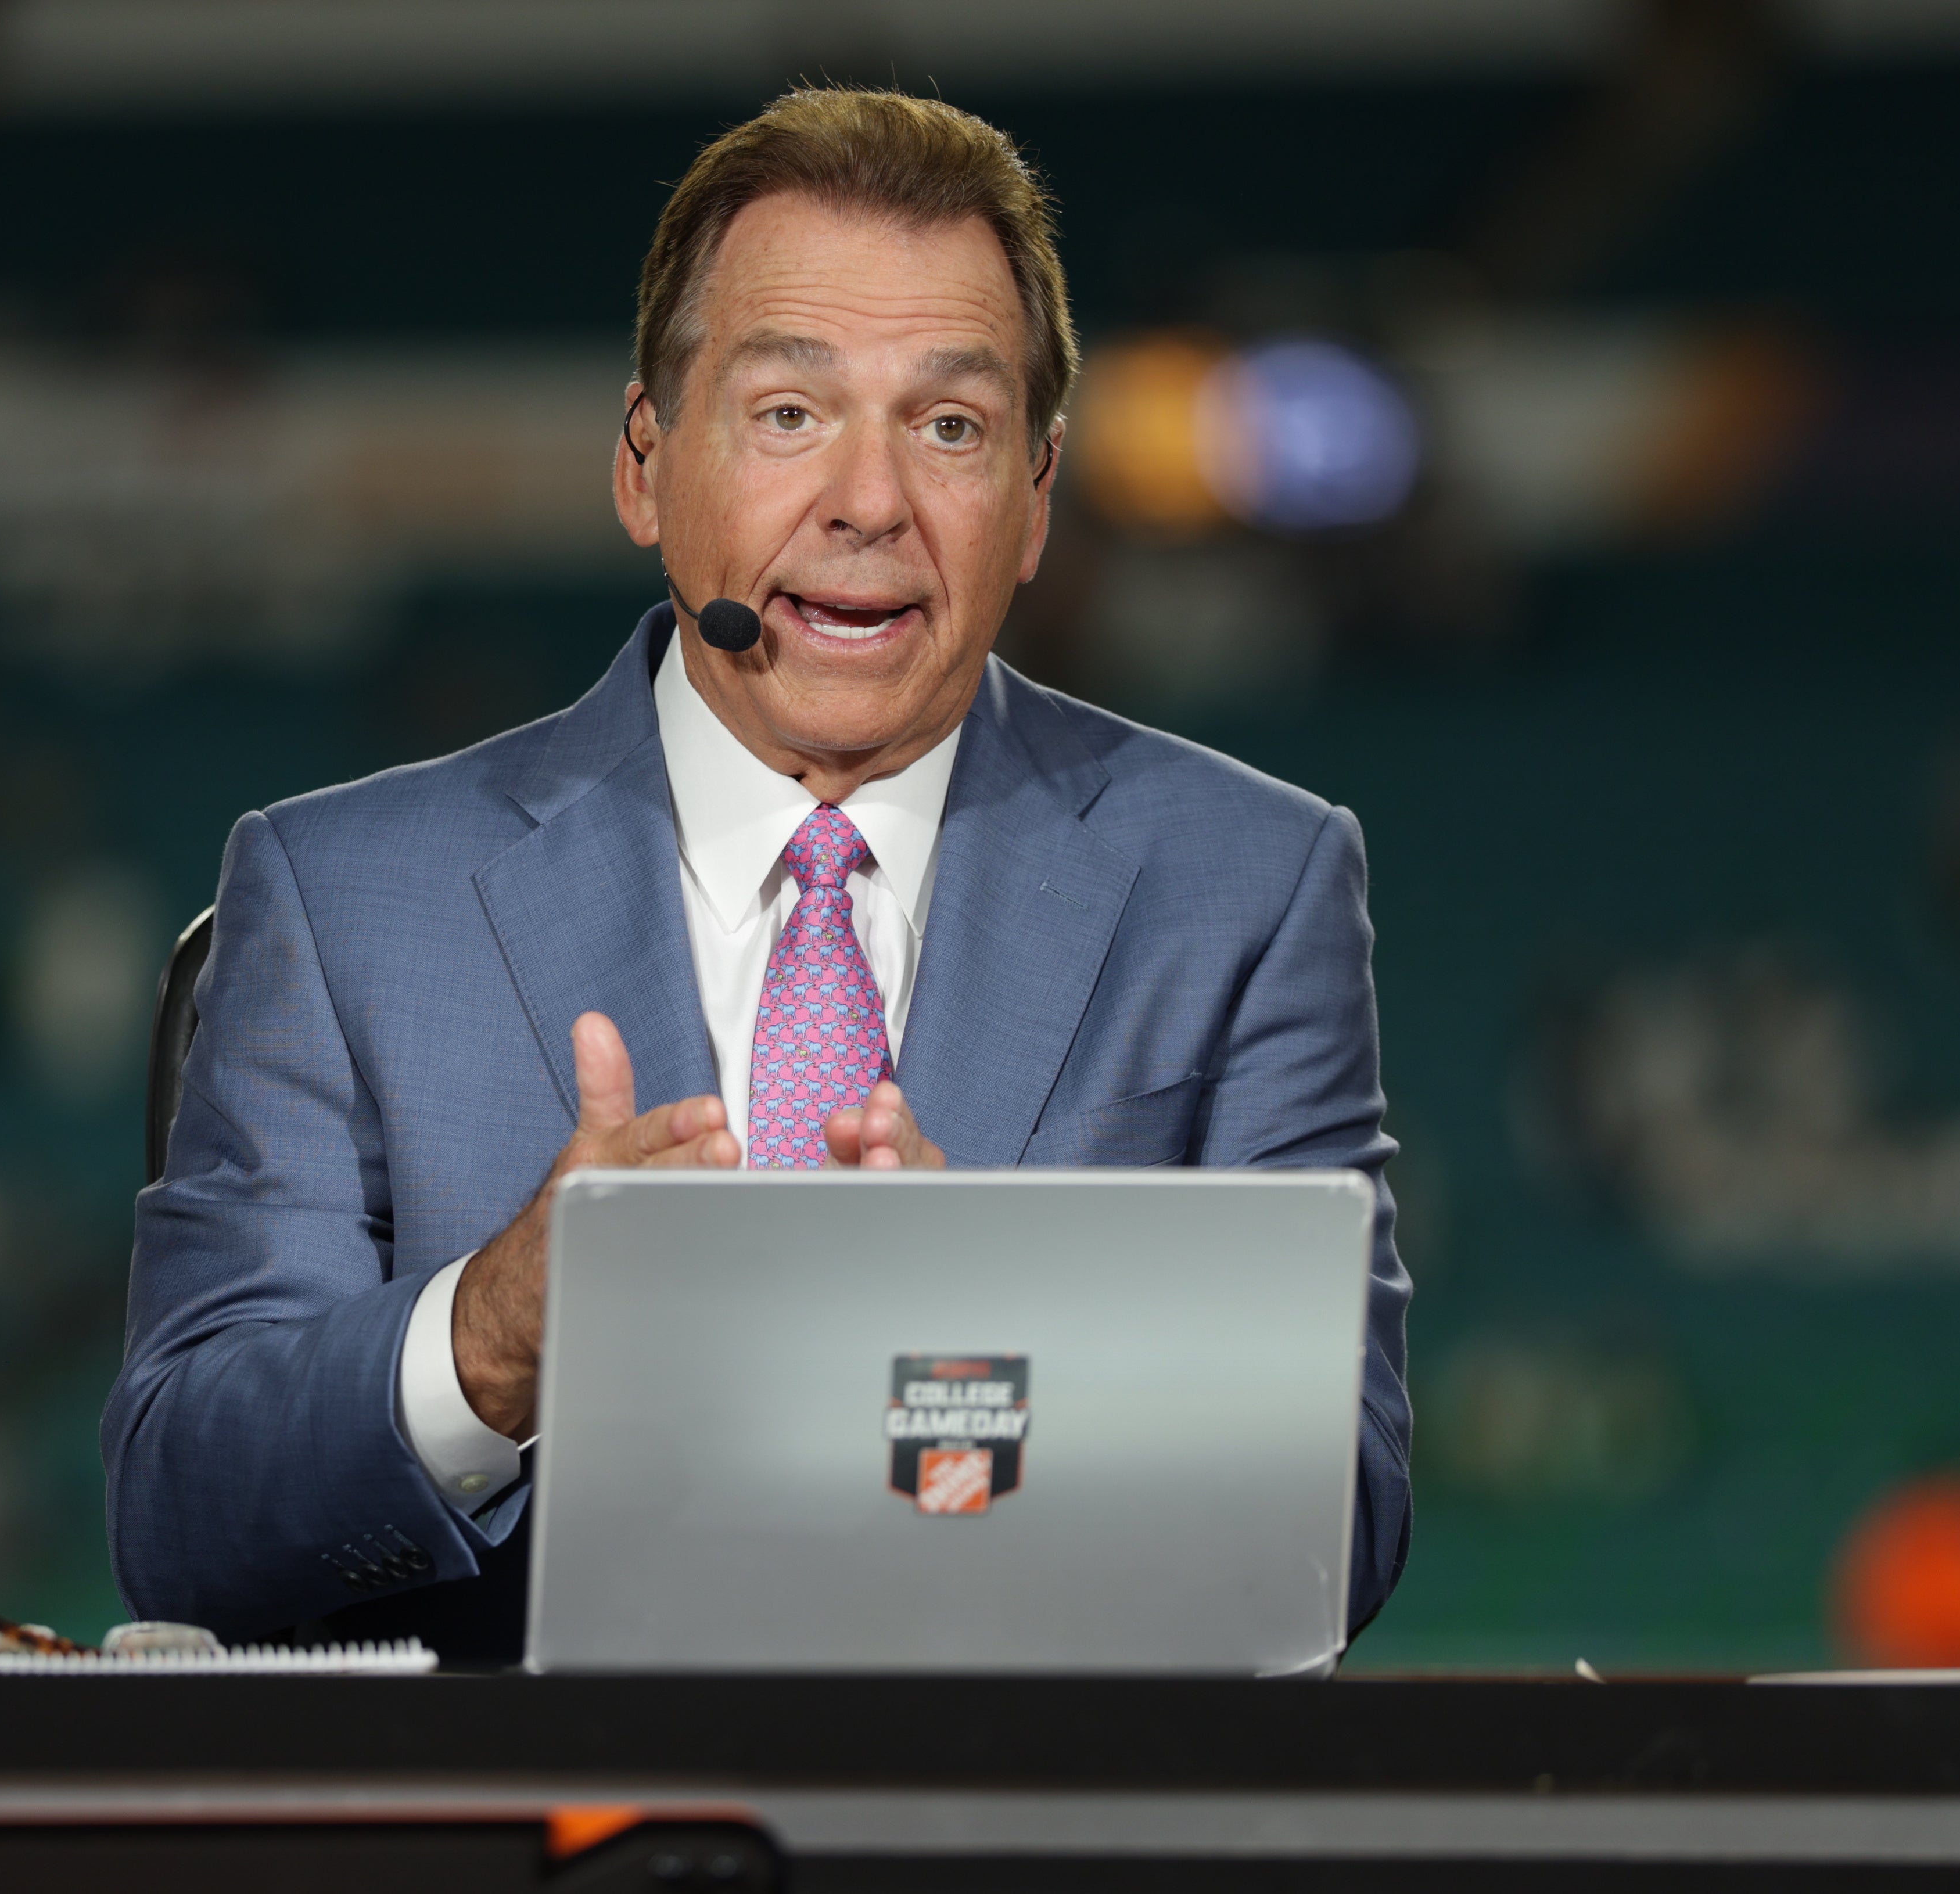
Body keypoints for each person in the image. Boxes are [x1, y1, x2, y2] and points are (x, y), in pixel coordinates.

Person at [106, 88, 1410, 1662]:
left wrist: (1018, 1352)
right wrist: (494, 1341)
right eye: (789, 414)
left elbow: (1345, 1517)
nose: (868, 503)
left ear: (1036, 501)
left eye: (949, 426)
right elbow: (180, 1519)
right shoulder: (338, 897)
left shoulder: (1247, 885)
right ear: (646, 469)